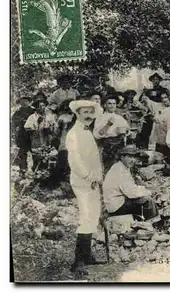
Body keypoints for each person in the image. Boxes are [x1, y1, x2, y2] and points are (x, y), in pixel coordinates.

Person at [65, 100, 106, 276]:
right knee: (86, 216)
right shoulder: (73, 134)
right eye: (85, 112)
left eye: (91, 112)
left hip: (93, 181)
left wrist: (98, 177)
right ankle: (78, 261)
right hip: (82, 182)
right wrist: (89, 176)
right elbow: (74, 161)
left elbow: (94, 157)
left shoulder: (87, 131)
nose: (88, 115)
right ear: (77, 113)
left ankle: (87, 255)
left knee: (93, 216)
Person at [102, 145, 158, 221]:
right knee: (148, 201)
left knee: (141, 200)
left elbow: (130, 187)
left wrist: (144, 188)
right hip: (117, 206)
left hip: (117, 201)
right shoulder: (120, 170)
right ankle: (153, 225)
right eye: (129, 157)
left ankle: (140, 222)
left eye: (134, 157)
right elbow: (131, 193)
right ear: (122, 157)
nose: (133, 160)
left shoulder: (121, 166)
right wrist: (148, 192)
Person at [93, 94, 131, 173]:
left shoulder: (119, 117)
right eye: (109, 103)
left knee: (121, 168)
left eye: (114, 103)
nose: (112, 106)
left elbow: (127, 131)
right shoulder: (100, 117)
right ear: (105, 105)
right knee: (109, 168)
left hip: (120, 144)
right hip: (108, 145)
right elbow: (97, 134)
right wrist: (108, 124)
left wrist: (127, 123)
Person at [24, 99, 58, 169]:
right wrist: (37, 126)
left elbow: (55, 129)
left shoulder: (49, 116)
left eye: (43, 106)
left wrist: (50, 129)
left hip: (47, 141)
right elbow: (27, 128)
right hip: (36, 141)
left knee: (46, 159)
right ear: (36, 108)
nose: (42, 107)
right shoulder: (32, 117)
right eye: (40, 106)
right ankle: (36, 175)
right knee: (37, 159)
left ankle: (45, 175)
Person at [53, 99, 76, 184]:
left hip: (76, 140)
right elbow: (56, 132)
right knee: (63, 158)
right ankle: (60, 179)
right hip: (65, 139)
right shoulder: (62, 117)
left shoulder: (79, 116)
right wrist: (62, 126)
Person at [12, 96, 34, 170]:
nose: (24, 102)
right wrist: (20, 121)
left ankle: (36, 169)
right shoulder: (18, 111)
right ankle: (23, 168)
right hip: (22, 133)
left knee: (35, 151)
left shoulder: (33, 110)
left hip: (32, 133)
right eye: (22, 101)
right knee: (22, 151)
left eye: (25, 101)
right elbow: (14, 121)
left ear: (29, 102)